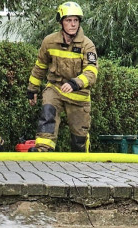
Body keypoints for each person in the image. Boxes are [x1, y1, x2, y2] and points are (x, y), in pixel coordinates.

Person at [27, 2, 97, 152]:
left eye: (76, 20)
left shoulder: (87, 45)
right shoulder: (49, 42)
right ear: (61, 22)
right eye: (68, 20)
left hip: (78, 94)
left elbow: (91, 71)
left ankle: (80, 160)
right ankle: (43, 150)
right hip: (56, 88)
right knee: (48, 112)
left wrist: (75, 83)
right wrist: (32, 89)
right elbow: (40, 66)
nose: (73, 24)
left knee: (79, 138)